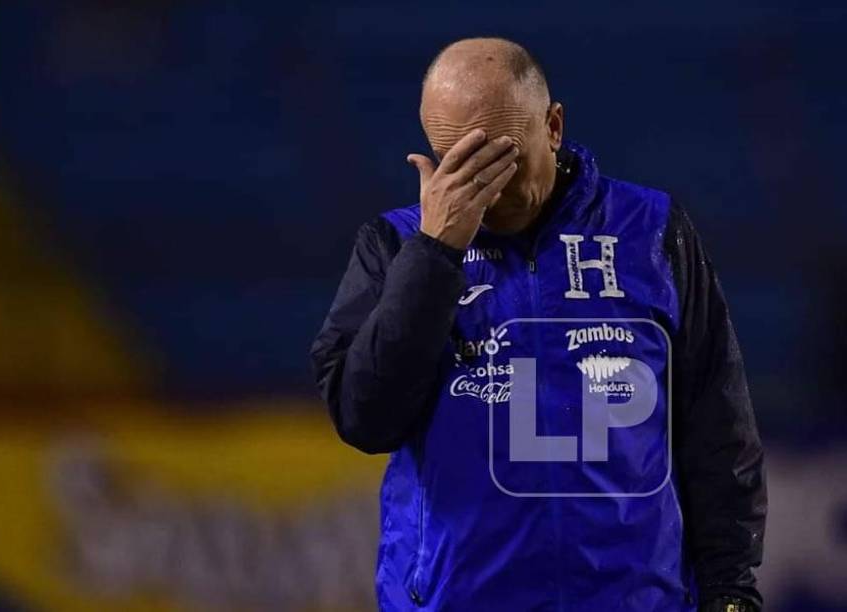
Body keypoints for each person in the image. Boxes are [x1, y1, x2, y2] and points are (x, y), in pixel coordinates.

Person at [312, 37, 765, 612]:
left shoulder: (651, 231)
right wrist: (434, 254)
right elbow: (364, 420)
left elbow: (716, 426)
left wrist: (731, 589)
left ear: (552, 126)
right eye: (458, 161)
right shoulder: (395, 245)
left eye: (500, 156)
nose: (485, 185)